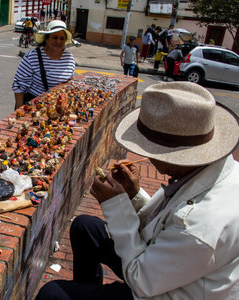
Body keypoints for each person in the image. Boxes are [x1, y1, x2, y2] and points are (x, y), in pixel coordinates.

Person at [36, 81, 239, 299]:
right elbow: (167, 222)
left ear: (171, 156)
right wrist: (134, 196)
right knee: (85, 227)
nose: (148, 157)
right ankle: (85, 288)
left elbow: (140, 279)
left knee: (52, 294)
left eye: (149, 149)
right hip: (164, 268)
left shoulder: (201, 226)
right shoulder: (205, 172)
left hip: (161, 289)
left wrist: (115, 206)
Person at [12, 20, 75, 109]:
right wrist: (19, 111)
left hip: (58, 107)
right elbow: (19, 86)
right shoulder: (32, 56)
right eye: (55, 37)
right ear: (46, 38)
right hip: (35, 107)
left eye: (62, 38)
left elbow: (70, 82)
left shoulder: (69, 58)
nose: (58, 41)